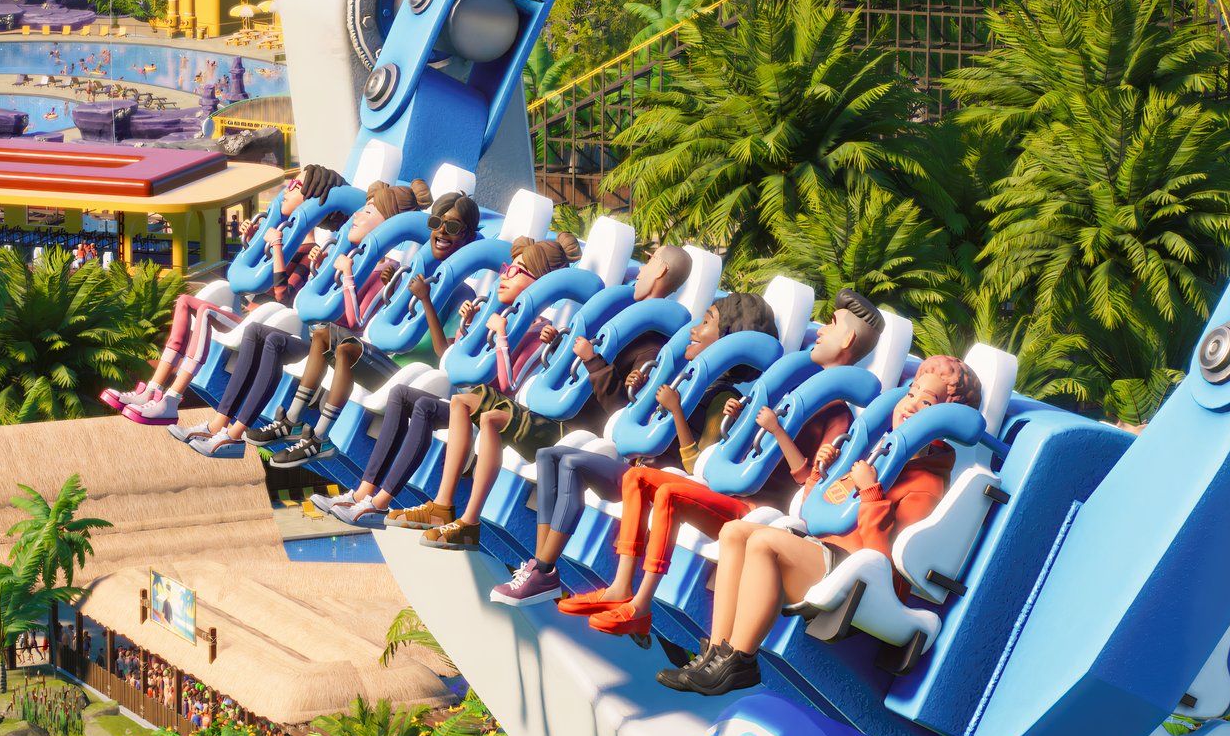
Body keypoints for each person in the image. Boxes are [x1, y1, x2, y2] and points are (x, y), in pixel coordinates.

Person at [556, 292, 885, 637]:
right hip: (720, 482)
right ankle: (620, 587)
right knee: (637, 478)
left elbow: (809, 483)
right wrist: (742, 419)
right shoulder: (790, 386)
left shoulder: (838, 415)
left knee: (669, 494)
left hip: (754, 508)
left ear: (847, 339)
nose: (820, 330)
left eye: (831, 325)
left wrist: (776, 431)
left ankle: (640, 605)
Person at [659, 356, 984, 695]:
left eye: (927, 402)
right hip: (823, 549)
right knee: (734, 532)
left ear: (945, 423)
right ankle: (716, 650)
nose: (911, 404)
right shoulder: (882, 455)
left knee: (763, 544)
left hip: (859, 570)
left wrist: (871, 490)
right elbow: (823, 508)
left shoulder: (926, 483)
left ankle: (741, 659)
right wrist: (819, 473)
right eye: (912, 392)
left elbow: (881, 553)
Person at [401, 246, 695, 549]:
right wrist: (557, 344)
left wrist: (594, 361)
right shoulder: (612, 312)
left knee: (489, 416)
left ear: (660, 271)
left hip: (572, 428)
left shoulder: (652, 344)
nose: (642, 268)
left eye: (649, 263)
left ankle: (468, 521)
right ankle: (443, 505)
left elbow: (620, 409)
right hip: (545, 410)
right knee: (467, 401)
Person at [319, 231, 585, 525]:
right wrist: (468, 328)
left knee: (424, 407)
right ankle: (363, 493)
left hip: (498, 410)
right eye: (505, 270)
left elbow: (510, 384)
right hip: (470, 400)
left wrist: (501, 338)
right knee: (401, 395)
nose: (505, 276)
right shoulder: (496, 315)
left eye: (515, 271)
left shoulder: (541, 332)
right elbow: (456, 360)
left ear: (539, 286)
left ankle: (380, 502)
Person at [180, 179, 424, 454]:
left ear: (387, 227)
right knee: (260, 334)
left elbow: (358, 322)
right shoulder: (348, 256)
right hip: (321, 340)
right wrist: (319, 269)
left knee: (300, 335)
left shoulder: (389, 273)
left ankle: (239, 432)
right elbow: (311, 301)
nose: (356, 215)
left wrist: (347, 278)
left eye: (367, 213)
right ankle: (220, 426)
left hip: (351, 350)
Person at [109, 164, 348, 424]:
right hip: (248, 311)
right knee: (184, 301)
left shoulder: (311, 252)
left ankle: (173, 399)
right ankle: (154, 388)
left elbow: (284, 296)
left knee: (205, 310)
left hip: (267, 321)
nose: (287, 190)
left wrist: (277, 248)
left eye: (296, 187)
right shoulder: (281, 234)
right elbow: (247, 278)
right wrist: (252, 241)